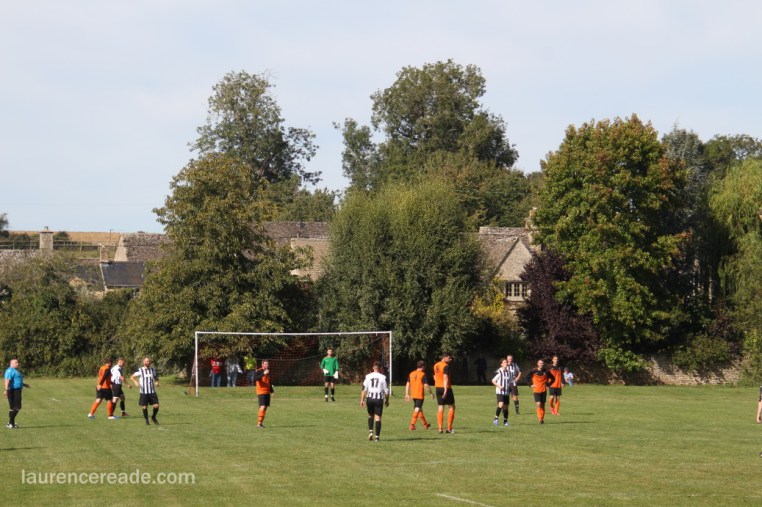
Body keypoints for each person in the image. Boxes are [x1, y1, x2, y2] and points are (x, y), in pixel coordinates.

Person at [360, 361, 389, 442]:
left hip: (370, 398)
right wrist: (387, 400)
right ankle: (377, 437)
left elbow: (364, 389)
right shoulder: (383, 377)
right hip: (379, 399)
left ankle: (370, 432)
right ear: (380, 368)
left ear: (373, 367)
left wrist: (362, 400)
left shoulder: (368, 376)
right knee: (378, 418)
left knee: (370, 415)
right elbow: (386, 391)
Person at [405, 360, 434, 430]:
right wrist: (431, 393)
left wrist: (407, 394)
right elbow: (426, 385)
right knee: (417, 409)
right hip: (419, 395)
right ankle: (412, 425)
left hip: (413, 394)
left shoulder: (411, 373)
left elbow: (407, 383)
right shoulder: (422, 374)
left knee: (420, 409)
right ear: (423, 367)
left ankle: (425, 424)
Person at [131, 357, 160, 426]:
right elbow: (132, 377)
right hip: (144, 391)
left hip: (152, 391)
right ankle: (146, 420)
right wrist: (135, 382)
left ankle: (153, 417)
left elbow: (156, 377)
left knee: (156, 406)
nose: (148, 362)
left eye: (149, 361)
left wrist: (157, 382)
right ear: (144, 362)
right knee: (144, 406)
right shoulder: (140, 370)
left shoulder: (152, 369)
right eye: (147, 361)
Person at [526, 359, 555, 424]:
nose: (541, 364)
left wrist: (548, 384)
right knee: (538, 404)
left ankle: (542, 418)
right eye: (540, 363)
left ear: (543, 364)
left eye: (542, 363)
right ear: (537, 364)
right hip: (536, 390)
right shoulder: (533, 371)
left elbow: (553, 379)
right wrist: (530, 385)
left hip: (543, 390)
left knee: (543, 405)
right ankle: (540, 418)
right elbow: (527, 377)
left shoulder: (546, 371)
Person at [433, 352, 456, 434]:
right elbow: (445, 377)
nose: (450, 359)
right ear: (445, 357)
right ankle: (449, 428)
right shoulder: (446, 366)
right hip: (446, 388)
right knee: (452, 407)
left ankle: (440, 428)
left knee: (440, 407)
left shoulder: (436, 365)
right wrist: (445, 389)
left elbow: (434, 376)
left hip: (437, 388)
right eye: (449, 358)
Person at [4, 359, 28, 429]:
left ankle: (11, 423)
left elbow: (17, 380)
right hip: (13, 391)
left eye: (18, 362)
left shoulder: (15, 371)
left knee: (12, 408)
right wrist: (6, 390)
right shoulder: (10, 370)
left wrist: (24, 384)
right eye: (16, 362)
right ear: (11, 363)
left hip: (17, 390)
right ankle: (10, 423)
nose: (18, 363)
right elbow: (7, 380)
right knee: (17, 407)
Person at [491, 358, 515, 426]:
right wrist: (499, 386)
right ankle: (496, 419)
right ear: (501, 364)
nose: (506, 363)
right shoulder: (499, 372)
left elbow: (510, 382)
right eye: (504, 362)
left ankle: (505, 421)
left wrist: (512, 391)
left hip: (506, 392)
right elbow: (493, 381)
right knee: (501, 404)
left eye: (506, 362)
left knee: (506, 407)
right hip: (500, 391)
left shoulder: (509, 373)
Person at [254, 360, 274, 429]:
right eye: (266, 364)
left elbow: (269, 382)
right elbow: (255, 378)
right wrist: (263, 374)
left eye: (268, 364)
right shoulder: (259, 371)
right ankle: (259, 424)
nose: (267, 365)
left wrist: (272, 391)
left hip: (267, 392)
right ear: (262, 364)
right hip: (261, 391)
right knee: (262, 406)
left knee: (265, 408)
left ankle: (260, 423)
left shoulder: (268, 372)